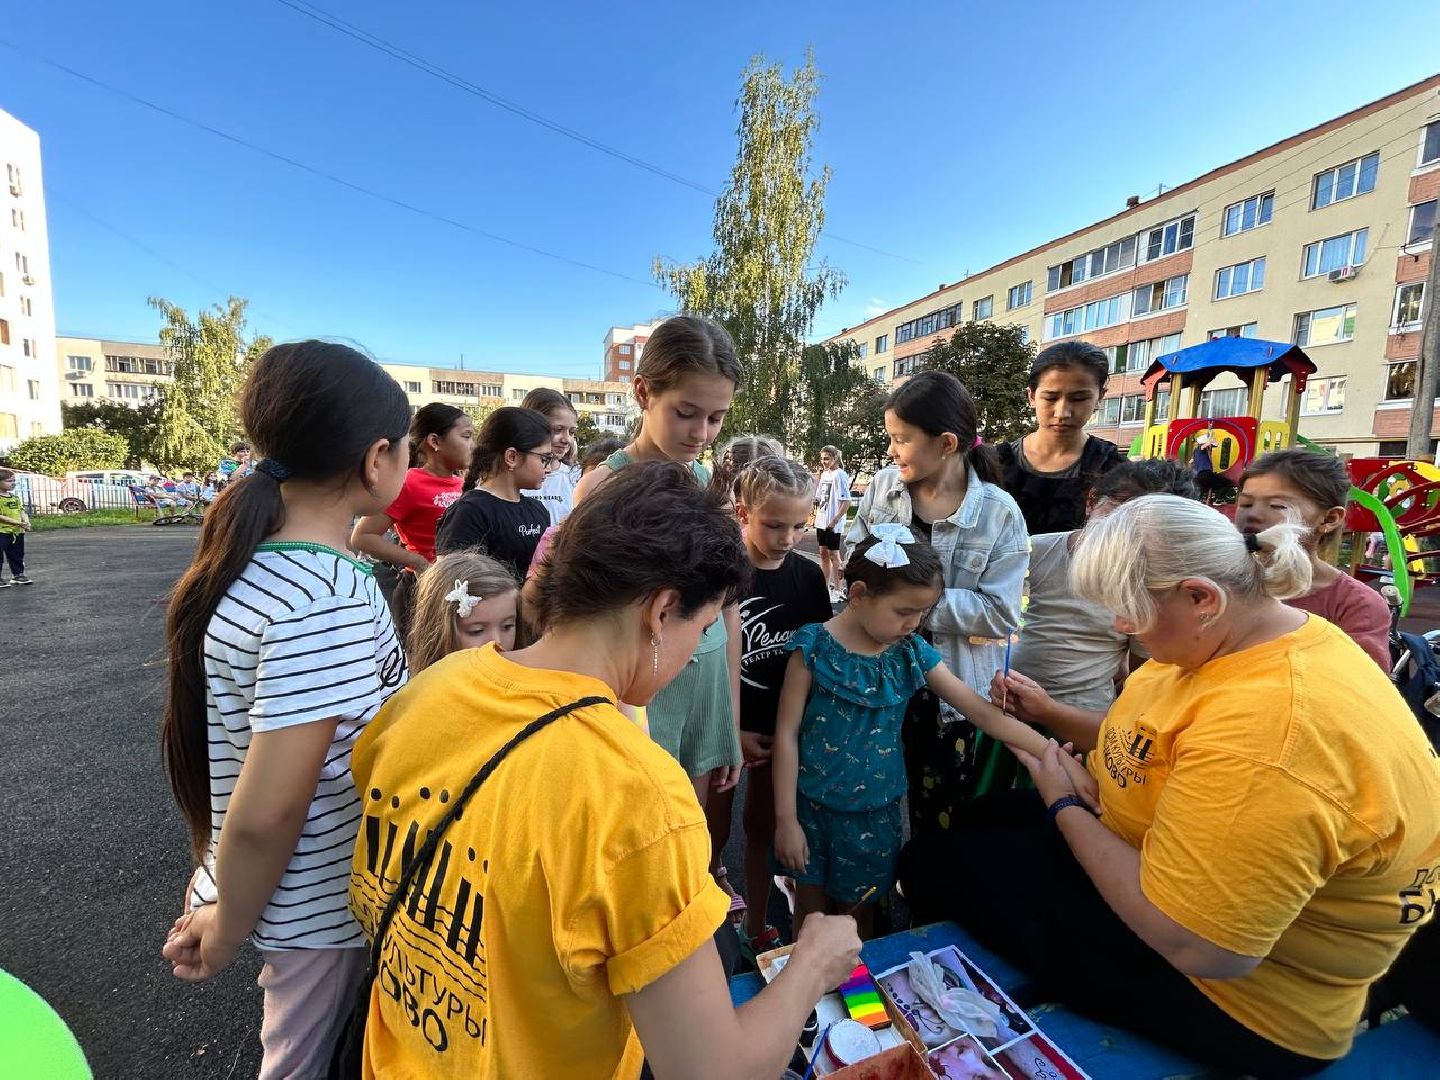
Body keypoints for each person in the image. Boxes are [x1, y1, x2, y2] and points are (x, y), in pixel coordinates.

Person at [347, 461, 863, 1077]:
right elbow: (715, 1070)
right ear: (661, 611)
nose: (693, 653)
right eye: (702, 630)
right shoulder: (639, 797)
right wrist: (813, 964)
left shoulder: (432, 689)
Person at [903, 495, 1440, 1076]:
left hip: (1237, 996)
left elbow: (1202, 946)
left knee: (934, 865)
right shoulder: (1241, 636)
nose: (1118, 627)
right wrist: (1059, 725)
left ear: (1201, 597)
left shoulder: (1271, 738)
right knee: (986, 821)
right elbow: (1157, 737)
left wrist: (1065, 806)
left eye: (1127, 611)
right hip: (1155, 852)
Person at [159, 341, 412, 1079]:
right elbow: (272, 806)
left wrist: (215, 883)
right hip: (320, 905)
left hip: (288, 894)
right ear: (377, 460)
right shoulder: (326, 598)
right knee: (300, 1065)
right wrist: (227, 925)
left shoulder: (257, 566)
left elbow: (235, 755)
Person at [773, 529, 1080, 939]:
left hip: (875, 812)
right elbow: (787, 734)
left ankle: (857, 999)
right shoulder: (813, 648)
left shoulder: (910, 653)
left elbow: (981, 713)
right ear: (860, 593)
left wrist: (1053, 754)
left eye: (922, 613)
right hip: (809, 810)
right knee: (809, 912)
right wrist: (785, 820)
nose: (914, 624)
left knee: (858, 915)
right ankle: (809, 1000)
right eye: (904, 611)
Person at [572, 314, 745, 812]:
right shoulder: (603, 486)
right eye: (686, 412)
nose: (701, 433)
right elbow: (588, 620)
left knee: (695, 819)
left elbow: (726, 605)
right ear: (644, 392)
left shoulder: (706, 477)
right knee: (642, 816)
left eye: (716, 417)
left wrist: (729, 712)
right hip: (640, 682)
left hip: (707, 670)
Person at [846, 370, 1028, 831]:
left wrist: (906, 602)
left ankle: (932, 901)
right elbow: (854, 560)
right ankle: (870, 901)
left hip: (950, 694)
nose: (891, 450)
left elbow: (1001, 613)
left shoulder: (997, 513)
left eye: (902, 439)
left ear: (946, 443)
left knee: (943, 818)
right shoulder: (884, 490)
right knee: (865, 806)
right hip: (877, 675)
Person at [711, 456, 833, 953]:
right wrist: (731, 728)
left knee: (762, 826)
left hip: (784, 727)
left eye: (799, 526)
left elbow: (820, 652)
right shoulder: (721, 574)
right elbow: (708, 658)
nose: (787, 538)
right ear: (743, 513)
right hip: (726, 723)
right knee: (710, 827)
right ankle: (708, 907)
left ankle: (756, 921)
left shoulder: (806, 577)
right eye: (774, 525)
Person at [1003, 459, 1199, 728]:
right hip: (1005, 703)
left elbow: (1140, 675)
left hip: (1080, 720)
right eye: (1115, 516)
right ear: (1091, 501)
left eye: (1141, 529)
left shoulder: (1147, 587)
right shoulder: (1033, 552)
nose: (1120, 535)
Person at [1236, 449, 1390, 669]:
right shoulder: (1218, 579)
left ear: (1329, 518)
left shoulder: (1355, 604)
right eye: (1246, 504)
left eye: (1278, 506)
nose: (1253, 514)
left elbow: (1361, 687)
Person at [996, 341, 1125, 534]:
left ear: (1100, 396)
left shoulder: (1113, 468)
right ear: (1031, 396)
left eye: (1079, 399)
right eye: (1050, 398)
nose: (1062, 412)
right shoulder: (995, 464)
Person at [435, 407, 552, 580]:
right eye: (544, 459)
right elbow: (452, 585)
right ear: (512, 457)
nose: (548, 469)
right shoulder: (470, 512)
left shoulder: (538, 510)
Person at [405, 551, 520, 674]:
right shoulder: (428, 692)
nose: (497, 641)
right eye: (477, 631)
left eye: (507, 626)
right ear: (440, 633)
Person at [519, 387, 580, 526]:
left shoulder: (576, 476)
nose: (567, 440)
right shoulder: (510, 478)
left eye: (571, 432)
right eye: (557, 430)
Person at [813, 445, 853, 602]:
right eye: (822, 458)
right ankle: (825, 588)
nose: (823, 461)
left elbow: (847, 501)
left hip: (832, 523)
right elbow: (819, 497)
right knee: (823, 554)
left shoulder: (840, 475)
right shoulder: (824, 475)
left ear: (835, 458)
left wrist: (834, 520)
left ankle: (838, 589)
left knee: (834, 555)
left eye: (827, 458)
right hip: (821, 521)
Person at [0, 467, 32, 587]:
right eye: (9, 481)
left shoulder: (15, 498)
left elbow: (21, 511)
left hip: (16, 532)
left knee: (17, 554)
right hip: (2, 532)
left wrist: (26, 522)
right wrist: (17, 523)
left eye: (14, 481)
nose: (13, 483)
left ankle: (18, 574)